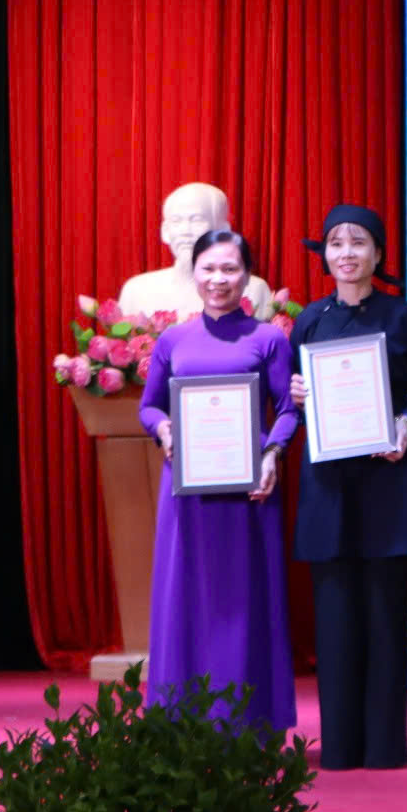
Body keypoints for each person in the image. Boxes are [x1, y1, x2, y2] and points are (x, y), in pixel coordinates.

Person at [285, 203, 407, 771]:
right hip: (330, 490)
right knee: (334, 623)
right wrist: (297, 396)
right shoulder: (310, 320)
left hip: (390, 485)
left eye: (359, 243)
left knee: (385, 619)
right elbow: (292, 399)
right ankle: (339, 747)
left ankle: (384, 747)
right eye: (336, 243)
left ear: (378, 254)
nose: (347, 253)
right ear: (325, 255)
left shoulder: (403, 317)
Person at [136, 227, 296, 730]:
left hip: (249, 492)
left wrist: (272, 453)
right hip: (187, 493)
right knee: (184, 600)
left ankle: (249, 726)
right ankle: (180, 726)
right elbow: (149, 406)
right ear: (195, 273)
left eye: (230, 268)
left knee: (246, 604)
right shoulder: (173, 339)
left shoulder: (269, 338)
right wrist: (163, 428)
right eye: (209, 268)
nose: (218, 279)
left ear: (247, 275)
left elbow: (288, 410)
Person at [118, 181, 275, 320]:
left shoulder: (252, 289)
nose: (185, 231)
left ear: (223, 230)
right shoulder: (137, 291)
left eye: (197, 220)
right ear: (165, 231)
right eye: (176, 221)